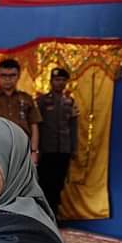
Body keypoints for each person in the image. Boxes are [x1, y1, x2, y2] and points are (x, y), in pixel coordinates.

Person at [0, 58, 42, 164]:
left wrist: (34, 151)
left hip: (22, 148)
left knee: (21, 175)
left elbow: (34, 125)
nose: (8, 79)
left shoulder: (26, 98)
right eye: (4, 76)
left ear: (18, 76)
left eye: (12, 75)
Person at [37, 68, 79, 217]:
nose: (60, 83)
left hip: (63, 149)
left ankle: (54, 215)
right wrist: (37, 149)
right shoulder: (42, 101)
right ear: (51, 82)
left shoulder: (70, 102)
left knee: (58, 184)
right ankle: (43, 215)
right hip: (47, 149)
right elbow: (38, 126)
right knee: (45, 183)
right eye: (57, 80)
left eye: (63, 80)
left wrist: (74, 148)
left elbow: (73, 126)